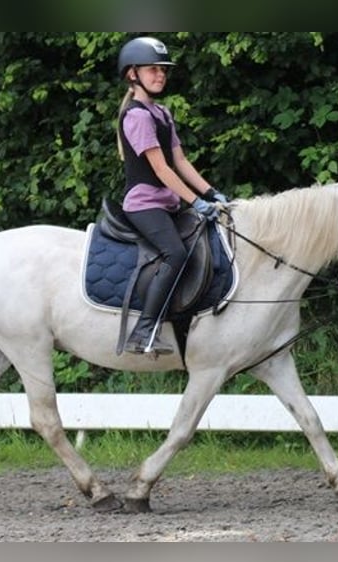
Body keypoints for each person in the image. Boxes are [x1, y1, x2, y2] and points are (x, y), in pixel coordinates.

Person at [116, 36, 228, 355]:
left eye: (163, 70)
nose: (160, 75)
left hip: (167, 203)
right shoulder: (136, 116)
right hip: (143, 204)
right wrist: (196, 202)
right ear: (132, 75)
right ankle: (144, 330)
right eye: (153, 69)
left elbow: (180, 162)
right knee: (176, 254)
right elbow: (163, 170)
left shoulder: (162, 113)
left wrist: (211, 192)